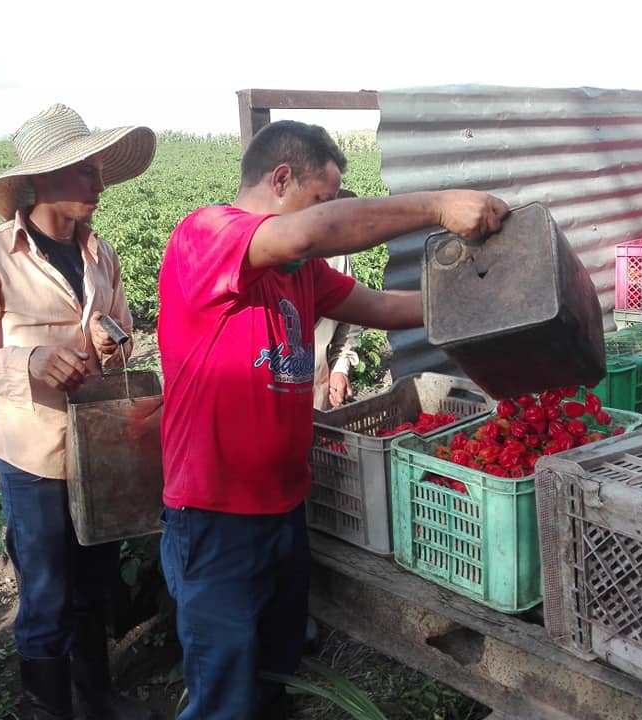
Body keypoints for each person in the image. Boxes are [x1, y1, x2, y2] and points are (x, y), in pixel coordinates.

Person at [153, 118, 509, 720]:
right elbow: (306, 236)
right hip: (216, 516)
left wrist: (474, 302)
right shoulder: (207, 234)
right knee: (223, 690)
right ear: (282, 178)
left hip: (283, 507)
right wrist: (437, 206)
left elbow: (382, 307)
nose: (327, 215)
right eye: (323, 197)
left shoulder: (301, 274)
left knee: (274, 668)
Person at [0, 103, 157, 720]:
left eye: (98, 171)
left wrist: (116, 337)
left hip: (99, 445)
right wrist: (28, 362)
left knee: (94, 584)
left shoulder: (101, 254)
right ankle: (48, 710)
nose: (99, 184)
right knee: (46, 595)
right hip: (33, 455)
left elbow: (124, 328)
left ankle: (98, 699)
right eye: (86, 172)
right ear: (41, 181)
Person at [312, 189, 362, 412]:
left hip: (316, 386)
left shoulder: (337, 258)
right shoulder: (269, 261)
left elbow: (351, 316)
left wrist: (340, 367)